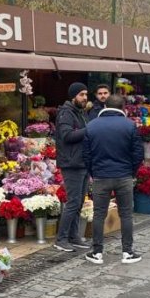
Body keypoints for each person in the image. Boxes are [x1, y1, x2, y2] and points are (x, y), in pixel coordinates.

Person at [83, 94, 144, 265]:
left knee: (99, 215)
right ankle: (127, 252)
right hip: (124, 175)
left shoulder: (92, 125)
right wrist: (131, 171)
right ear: (123, 107)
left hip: (101, 175)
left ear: (105, 106)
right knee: (126, 214)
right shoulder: (130, 126)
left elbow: (86, 154)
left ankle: (97, 252)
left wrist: (93, 171)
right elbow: (138, 154)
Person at [53, 82, 91, 252]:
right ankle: (61, 239)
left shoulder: (80, 113)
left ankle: (74, 236)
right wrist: (90, 130)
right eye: (82, 95)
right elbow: (67, 135)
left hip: (82, 163)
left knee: (79, 202)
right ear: (73, 96)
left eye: (86, 95)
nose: (85, 98)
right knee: (73, 202)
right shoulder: (66, 113)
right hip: (71, 163)